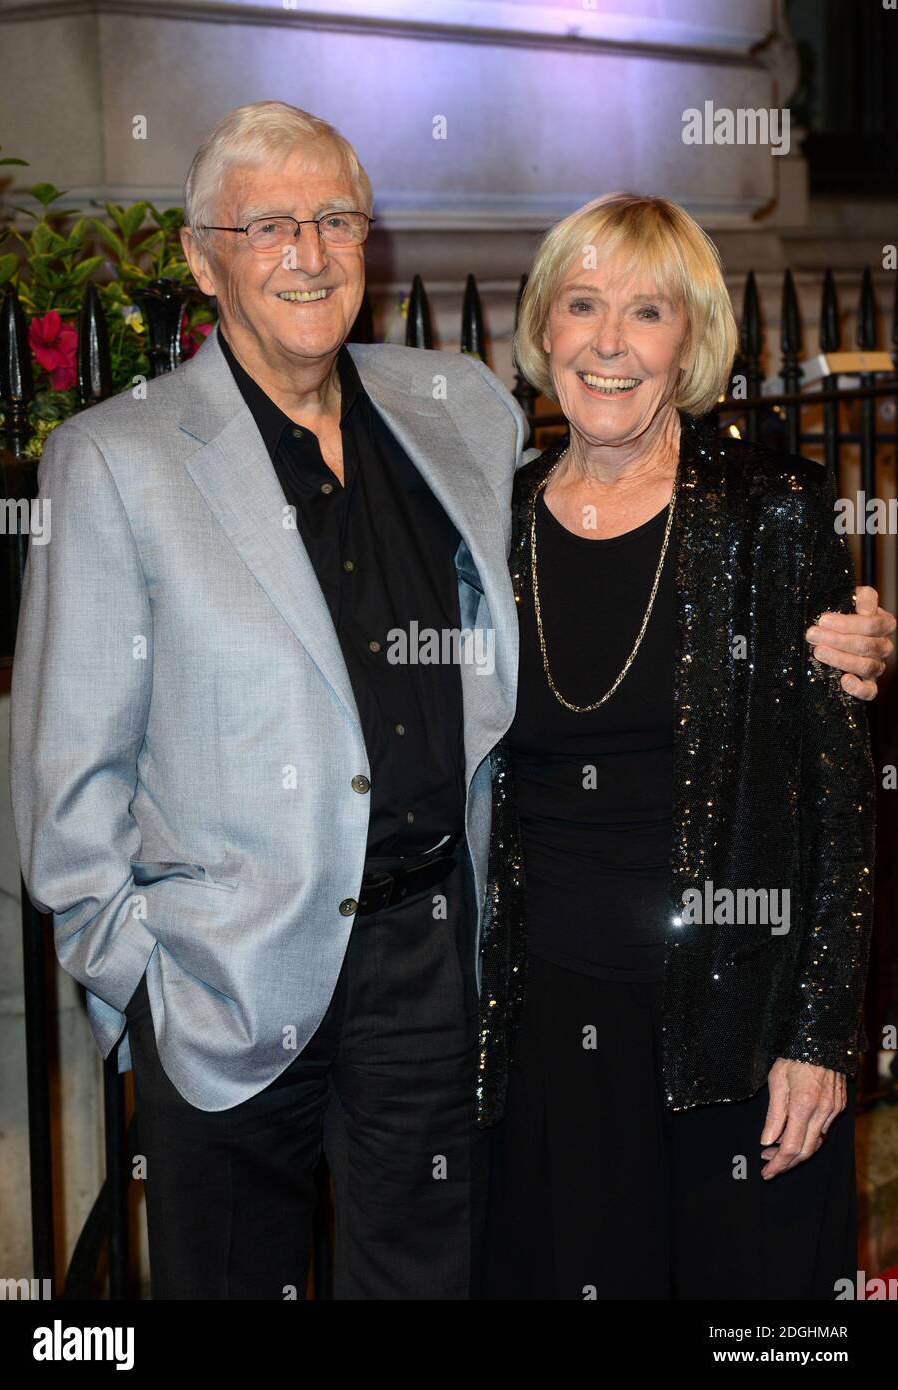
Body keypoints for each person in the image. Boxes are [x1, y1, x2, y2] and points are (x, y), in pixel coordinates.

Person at [8, 105, 891, 1299]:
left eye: (333, 219)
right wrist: (146, 986)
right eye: (267, 225)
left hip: (479, 985)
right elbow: (69, 779)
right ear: (201, 256)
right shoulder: (128, 459)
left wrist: (851, 649)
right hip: (255, 990)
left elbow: (827, 790)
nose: (307, 252)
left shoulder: (460, 421)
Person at [481, 191, 891, 1300]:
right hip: (546, 1028)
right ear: (543, 332)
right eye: (581, 304)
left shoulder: (773, 514)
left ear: (692, 342)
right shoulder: (489, 525)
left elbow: (841, 809)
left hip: (739, 1024)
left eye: (647, 311)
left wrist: (820, 1033)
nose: (609, 341)